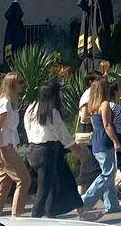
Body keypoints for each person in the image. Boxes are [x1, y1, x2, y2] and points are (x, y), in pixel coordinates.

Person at [25, 81, 87, 217]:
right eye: (60, 92)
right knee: (43, 191)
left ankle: (51, 215)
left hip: (33, 149)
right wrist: (79, 153)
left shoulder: (31, 108)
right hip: (47, 151)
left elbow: (27, 130)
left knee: (52, 185)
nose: (62, 94)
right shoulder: (51, 112)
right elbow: (64, 136)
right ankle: (35, 219)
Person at [0, 72, 30, 218]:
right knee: (24, 180)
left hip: (5, 147)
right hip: (3, 148)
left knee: (3, 187)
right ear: (12, 84)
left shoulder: (9, 103)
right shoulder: (4, 103)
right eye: (20, 82)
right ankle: (16, 217)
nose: (22, 85)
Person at [79, 78, 121, 215]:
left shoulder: (92, 105)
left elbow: (93, 122)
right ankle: (85, 201)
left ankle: (112, 204)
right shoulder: (104, 105)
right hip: (105, 141)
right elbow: (107, 125)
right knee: (108, 174)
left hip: (97, 142)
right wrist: (116, 141)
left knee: (108, 173)